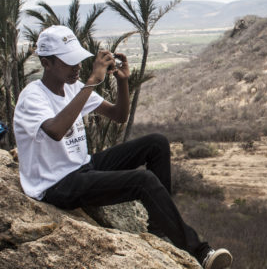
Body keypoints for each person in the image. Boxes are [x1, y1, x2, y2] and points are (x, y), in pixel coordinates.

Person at [13, 25, 232, 269]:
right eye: (68, 62)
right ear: (46, 63)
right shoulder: (32, 97)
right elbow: (55, 131)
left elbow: (118, 115)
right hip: (56, 184)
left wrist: (123, 82)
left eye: (78, 60)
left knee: (156, 143)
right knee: (143, 181)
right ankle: (200, 252)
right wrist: (92, 82)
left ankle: (158, 229)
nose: (76, 67)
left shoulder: (73, 87)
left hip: (81, 166)